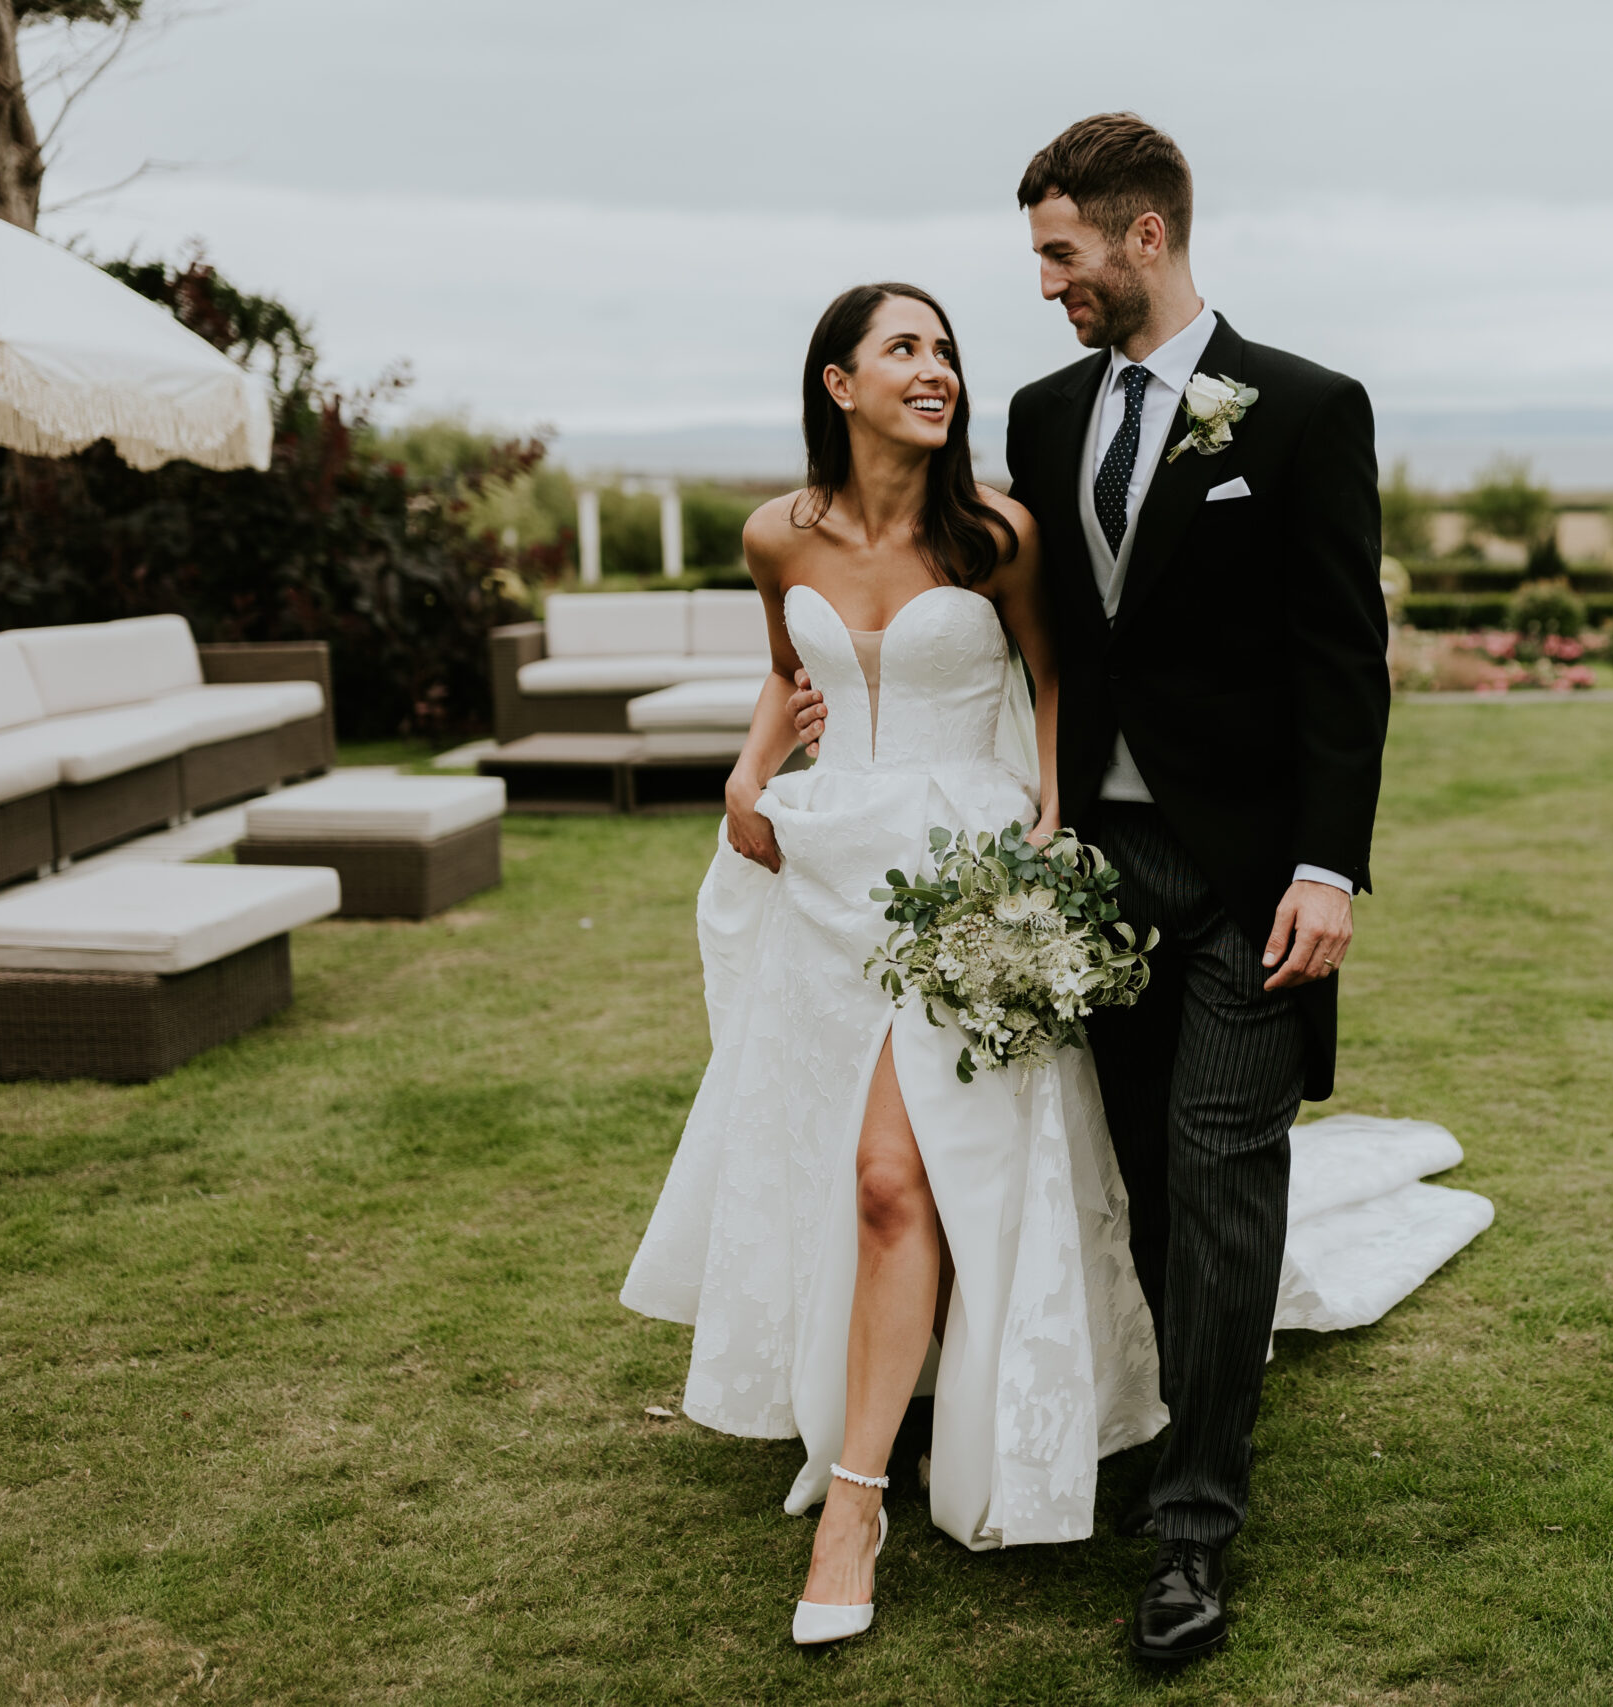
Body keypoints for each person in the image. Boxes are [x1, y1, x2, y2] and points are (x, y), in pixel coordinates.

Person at [788, 112, 1392, 1664]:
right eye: (1036, 255)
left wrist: (1329, 866)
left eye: (1062, 251)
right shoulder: (1047, 422)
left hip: (1251, 881)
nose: (1044, 281)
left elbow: (1343, 660)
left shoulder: (1308, 412)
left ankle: (1193, 1529)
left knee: (1217, 1175)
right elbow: (988, 616)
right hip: (1090, 887)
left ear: (1145, 237)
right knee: (1118, 1167)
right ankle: (1128, 1413)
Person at [618, 281, 1165, 1647]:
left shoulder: (997, 534)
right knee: (854, 1177)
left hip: (961, 883)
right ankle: (889, 1407)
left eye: (945, 352)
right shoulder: (771, 536)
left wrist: (1047, 834)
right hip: (822, 881)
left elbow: (1049, 683)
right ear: (836, 383)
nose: (936, 371)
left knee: (890, 1178)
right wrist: (746, 781)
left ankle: (856, 1506)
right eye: (904, 350)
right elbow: (787, 675)